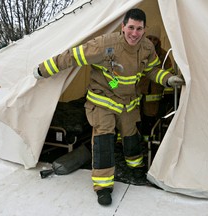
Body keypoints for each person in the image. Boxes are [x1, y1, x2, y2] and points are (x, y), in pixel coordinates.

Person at [33, 8, 185, 206]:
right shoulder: (104, 45)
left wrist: (167, 79)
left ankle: (136, 168)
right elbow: (72, 57)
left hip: (128, 103)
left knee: (131, 137)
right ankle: (103, 186)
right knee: (104, 139)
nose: (134, 33)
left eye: (139, 28)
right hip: (102, 102)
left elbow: (153, 70)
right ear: (123, 27)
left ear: (144, 29)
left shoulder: (147, 48)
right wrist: (42, 70)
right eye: (131, 27)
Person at [139, 25, 173, 141]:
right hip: (138, 93)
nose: (152, 41)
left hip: (154, 95)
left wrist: (168, 96)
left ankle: (148, 146)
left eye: (155, 39)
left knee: (150, 122)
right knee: (136, 120)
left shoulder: (164, 56)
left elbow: (169, 73)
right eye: (150, 38)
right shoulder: (138, 52)